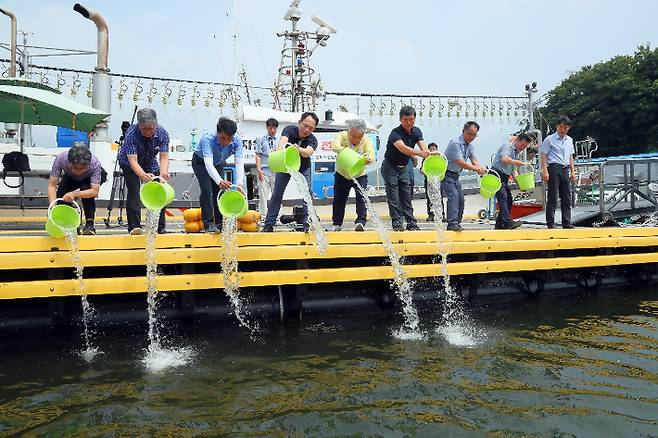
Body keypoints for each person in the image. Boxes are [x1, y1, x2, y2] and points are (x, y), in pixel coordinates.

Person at [262, 112, 319, 233]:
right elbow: (283, 141)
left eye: (311, 128)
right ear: (299, 122)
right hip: (286, 165)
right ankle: (269, 224)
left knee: (306, 194)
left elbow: (308, 152)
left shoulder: (313, 139)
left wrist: (299, 149)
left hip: (303, 168)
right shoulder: (290, 130)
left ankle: (306, 222)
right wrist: (280, 148)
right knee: (277, 194)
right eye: (305, 125)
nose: (307, 129)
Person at [117, 108, 170, 235]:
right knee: (134, 190)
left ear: (155, 125)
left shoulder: (163, 133)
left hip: (149, 161)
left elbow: (164, 156)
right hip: (129, 163)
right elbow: (133, 161)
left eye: (151, 129)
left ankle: (159, 225)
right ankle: (134, 226)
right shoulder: (131, 133)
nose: (148, 132)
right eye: (144, 129)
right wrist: (142, 175)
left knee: (158, 189)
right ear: (139, 126)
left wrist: (163, 173)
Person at [192, 117, 245, 233]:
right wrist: (220, 181)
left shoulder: (237, 141)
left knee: (220, 192)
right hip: (201, 163)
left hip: (219, 163)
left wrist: (240, 183)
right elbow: (208, 164)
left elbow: (239, 162)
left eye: (229, 139)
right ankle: (208, 224)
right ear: (217, 132)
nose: (225, 142)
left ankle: (220, 223)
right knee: (207, 190)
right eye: (222, 138)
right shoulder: (207, 138)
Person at [382, 106, 431, 231]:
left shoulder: (417, 131)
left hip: (404, 168)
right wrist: (419, 154)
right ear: (400, 119)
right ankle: (397, 222)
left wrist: (428, 153)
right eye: (406, 120)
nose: (409, 122)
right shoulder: (395, 133)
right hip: (390, 167)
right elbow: (402, 148)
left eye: (411, 119)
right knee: (393, 195)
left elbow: (423, 146)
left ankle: (411, 222)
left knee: (406, 195)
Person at [328, 118, 375, 232]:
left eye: (358, 137)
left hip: (360, 174)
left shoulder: (366, 141)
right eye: (352, 136)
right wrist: (346, 151)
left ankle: (361, 222)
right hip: (342, 174)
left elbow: (371, 155)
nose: (355, 139)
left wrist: (368, 159)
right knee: (339, 199)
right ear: (349, 132)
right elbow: (334, 145)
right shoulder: (342, 136)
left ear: (363, 134)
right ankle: (337, 223)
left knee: (361, 198)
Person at [48, 145, 104, 235]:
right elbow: (52, 185)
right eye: (75, 168)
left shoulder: (95, 164)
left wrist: (75, 194)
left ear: (88, 164)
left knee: (86, 191)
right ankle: (69, 223)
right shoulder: (60, 159)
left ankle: (90, 224)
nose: (79, 172)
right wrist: (53, 208)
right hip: (70, 176)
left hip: (88, 178)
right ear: (69, 163)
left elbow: (94, 191)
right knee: (62, 193)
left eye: (82, 168)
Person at [442, 121, 487, 232]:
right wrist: (476, 169)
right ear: (463, 131)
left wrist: (481, 169)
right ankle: (452, 223)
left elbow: (474, 160)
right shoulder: (455, 143)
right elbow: (460, 162)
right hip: (446, 174)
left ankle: (456, 222)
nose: (471, 137)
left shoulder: (470, 146)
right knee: (454, 196)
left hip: (456, 176)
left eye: (474, 135)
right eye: (469, 133)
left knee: (461, 199)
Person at [540, 115, 577, 229]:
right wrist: (545, 170)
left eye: (565, 127)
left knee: (566, 196)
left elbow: (570, 156)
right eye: (560, 127)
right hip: (554, 167)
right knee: (553, 195)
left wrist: (573, 171)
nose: (562, 130)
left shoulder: (569, 140)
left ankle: (567, 222)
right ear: (557, 126)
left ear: (568, 128)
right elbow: (543, 155)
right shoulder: (550, 139)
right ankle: (550, 222)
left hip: (565, 168)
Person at [491, 133, 533, 229]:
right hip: (496, 175)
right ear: (517, 140)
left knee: (509, 200)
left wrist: (520, 185)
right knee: (503, 197)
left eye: (525, 147)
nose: (523, 148)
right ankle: (508, 222)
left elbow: (513, 171)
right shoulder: (508, 147)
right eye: (522, 145)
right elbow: (504, 159)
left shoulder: (516, 153)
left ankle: (500, 224)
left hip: (505, 177)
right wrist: (516, 162)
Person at [254, 118, 279, 217]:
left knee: (277, 194)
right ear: (267, 128)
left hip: (277, 171)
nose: (272, 130)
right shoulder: (261, 140)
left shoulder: (279, 141)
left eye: (274, 128)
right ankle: (263, 215)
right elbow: (258, 155)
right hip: (264, 171)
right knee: (263, 195)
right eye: (270, 128)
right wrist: (259, 170)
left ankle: (278, 215)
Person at [422, 142, 439, 221]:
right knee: (429, 198)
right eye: (430, 149)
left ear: (436, 150)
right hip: (428, 180)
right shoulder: (425, 159)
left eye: (434, 149)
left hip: (437, 181)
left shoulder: (439, 158)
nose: (432, 151)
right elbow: (421, 170)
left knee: (439, 198)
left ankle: (441, 214)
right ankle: (430, 215)